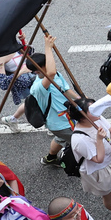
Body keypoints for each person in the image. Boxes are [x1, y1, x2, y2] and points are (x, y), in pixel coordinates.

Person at [67, 98, 111, 220]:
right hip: (98, 169)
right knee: (109, 194)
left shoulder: (96, 118)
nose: (98, 111)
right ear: (82, 116)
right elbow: (98, 159)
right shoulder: (79, 139)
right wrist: (98, 139)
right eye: (93, 110)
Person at [26, 36, 78, 168]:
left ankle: (50, 158)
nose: (51, 65)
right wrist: (48, 47)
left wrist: (80, 100)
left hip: (68, 117)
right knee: (80, 141)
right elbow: (51, 73)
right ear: (37, 71)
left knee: (60, 139)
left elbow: (65, 89)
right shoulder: (38, 87)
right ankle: (75, 164)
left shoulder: (56, 75)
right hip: (59, 124)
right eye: (47, 65)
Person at [0, 53, 37, 125]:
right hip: (24, 84)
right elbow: (2, 83)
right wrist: (20, 72)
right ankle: (52, 125)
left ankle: (12, 119)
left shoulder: (17, 45)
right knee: (38, 101)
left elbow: (30, 55)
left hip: (35, 76)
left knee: (36, 100)